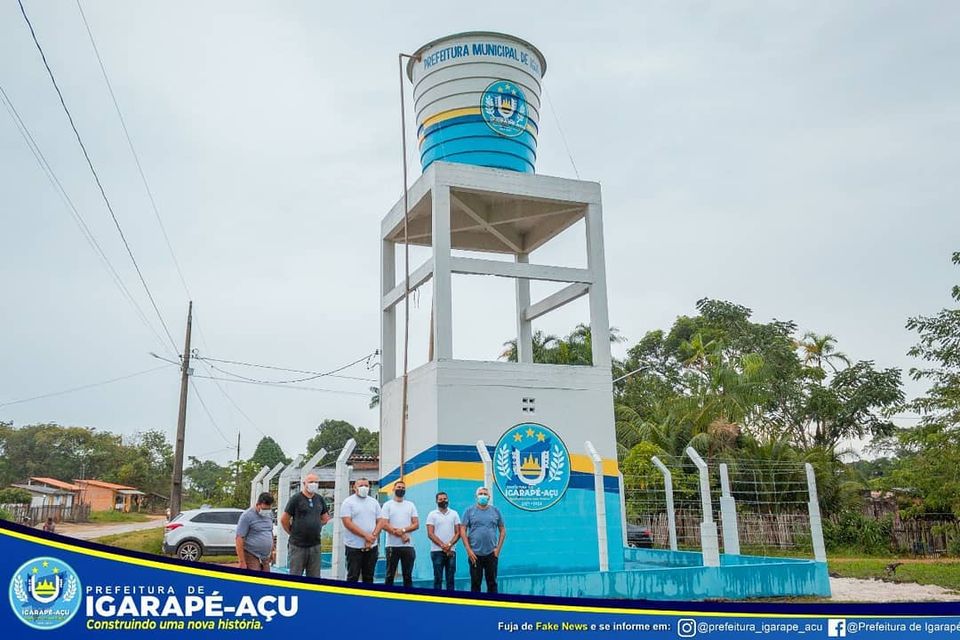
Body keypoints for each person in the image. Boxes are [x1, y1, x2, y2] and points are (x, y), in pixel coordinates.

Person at [280, 473, 330, 578]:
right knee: (295, 575)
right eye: (311, 482)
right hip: (298, 546)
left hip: (315, 544)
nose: (314, 484)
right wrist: (292, 532)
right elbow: (284, 520)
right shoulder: (296, 499)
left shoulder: (319, 499)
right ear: (304, 483)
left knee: (314, 577)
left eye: (316, 482)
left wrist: (315, 525)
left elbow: (325, 518)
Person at [460, 486, 506, 593]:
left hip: (491, 554)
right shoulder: (469, 511)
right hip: (474, 555)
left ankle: (493, 603)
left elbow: (502, 530)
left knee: (492, 583)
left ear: (489, 497)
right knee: (475, 584)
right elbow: (462, 530)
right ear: (476, 496)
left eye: (485, 494)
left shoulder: (495, 511)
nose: (483, 496)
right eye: (480, 494)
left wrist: (497, 550)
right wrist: (469, 550)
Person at [340, 477, 382, 583]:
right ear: (354, 487)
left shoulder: (374, 502)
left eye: (366, 485)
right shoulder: (348, 502)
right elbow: (347, 523)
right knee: (353, 576)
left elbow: (380, 521)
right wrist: (365, 536)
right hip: (354, 547)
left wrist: (372, 537)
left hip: (372, 546)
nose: (364, 487)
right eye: (361, 485)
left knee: (369, 577)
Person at [379, 479, 419, 587]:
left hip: (408, 546)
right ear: (393, 489)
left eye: (403, 488)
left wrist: (403, 530)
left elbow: (416, 524)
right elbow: (384, 524)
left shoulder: (410, 505)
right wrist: (401, 534)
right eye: (399, 487)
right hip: (392, 546)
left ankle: (408, 596)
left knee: (408, 576)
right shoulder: (387, 505)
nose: (401, 489)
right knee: (390, 575)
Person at [426, 491, 460, 590]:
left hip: (451, 551)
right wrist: (442, 545)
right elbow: (430, 533)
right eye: (440, 499)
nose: (443, 501)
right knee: (438, 579)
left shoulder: (454, 514)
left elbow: (458, 532)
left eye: (445, 499)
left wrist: (449, 545)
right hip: (436, 552)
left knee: (450, 579)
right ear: (436, 501)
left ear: (448, 500)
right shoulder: (432, 515)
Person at [236, 492, 275, 572]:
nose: (266, 511)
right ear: (258, 504)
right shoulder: (247, 516)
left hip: (265, 556)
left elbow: (270, 532)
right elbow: (239, 538)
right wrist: (242, 561)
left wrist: (272, 550)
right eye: (264, 509)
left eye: (268, 509)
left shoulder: (269, 515)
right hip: (251, 553)